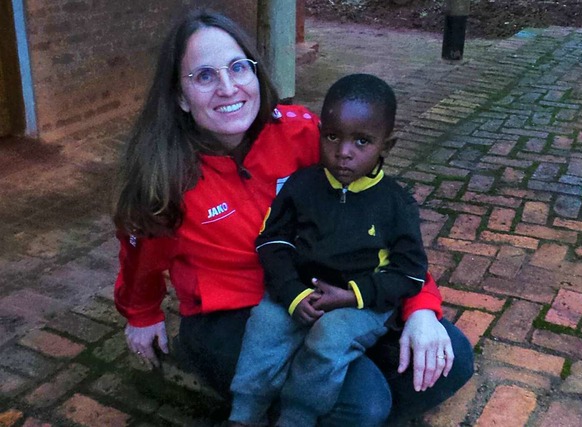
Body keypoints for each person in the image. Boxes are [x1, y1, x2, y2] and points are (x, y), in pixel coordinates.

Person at [112, 8, 474, 426]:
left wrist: (421, 307)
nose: (228, 88)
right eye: (205, 76)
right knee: (364, 401)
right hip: (236, 314)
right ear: (179, 95)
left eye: (238, 68)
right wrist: (142, 314)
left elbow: (379, 215)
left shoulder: (303, 134)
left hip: (326, 292)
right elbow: (142, 255)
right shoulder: (165, 174)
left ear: (256, 72)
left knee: (452, 358)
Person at [229, 74, 427, 427]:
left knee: (329, 337)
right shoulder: (302, 185)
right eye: (332, 136)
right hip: (299, 290)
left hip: (363, 302)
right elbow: (272, 242)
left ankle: (296, 417)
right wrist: (291, 292)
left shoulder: (396, 204)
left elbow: (410, 272)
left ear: (387, 145)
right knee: (264, 325)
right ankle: (244, 414)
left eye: (362, 141)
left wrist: (352, 296)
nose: (343, 152)